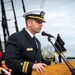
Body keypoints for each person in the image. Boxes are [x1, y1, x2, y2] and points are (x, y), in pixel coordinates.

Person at [5, 9, 51, 75]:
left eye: (42, 22)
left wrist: (58, 64)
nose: (41, 25)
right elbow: (10, 61)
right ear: (29, 23)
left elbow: (40, 61)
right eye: (38, 22)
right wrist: (32, 66)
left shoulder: (37, 42)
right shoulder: (16, 37)